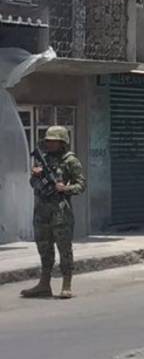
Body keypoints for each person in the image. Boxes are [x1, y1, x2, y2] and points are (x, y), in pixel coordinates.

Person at [21, 126, 86, 299]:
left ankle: (66, 284)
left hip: (60, 212)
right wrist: (36, 176)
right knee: (44, 247)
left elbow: (81, 185)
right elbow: (33, 184)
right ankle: (44, 284)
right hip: (42, 211)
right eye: (48, 141)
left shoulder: (70, 161)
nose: (49, 144)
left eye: (53, 141)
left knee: (64, 248)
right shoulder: (43, 159)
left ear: (62, 142)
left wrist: (65, 188)